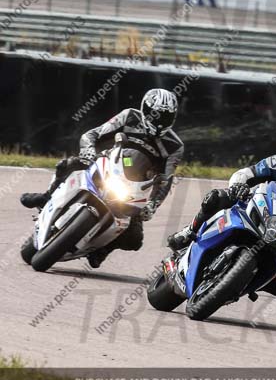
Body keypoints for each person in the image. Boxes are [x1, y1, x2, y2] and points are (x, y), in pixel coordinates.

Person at [20, 88, 183, 268]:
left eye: (165, 118)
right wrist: (88, 150)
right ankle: (46, 197)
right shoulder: (129, 116)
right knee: (68, 165)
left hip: (135, 189)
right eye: (156, 115)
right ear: (146, 109)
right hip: (107, 164)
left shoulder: (174, 146)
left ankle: (102, 249)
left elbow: (166, 180)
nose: (159, 122)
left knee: (134, 239)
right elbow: (92, 134)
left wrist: (153, 205)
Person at [168, 138, 276, 299]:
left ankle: (242, 283)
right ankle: (190, 231)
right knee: (216, 198)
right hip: (256, 204)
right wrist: (238, 186)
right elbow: (247, 173)